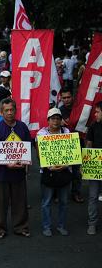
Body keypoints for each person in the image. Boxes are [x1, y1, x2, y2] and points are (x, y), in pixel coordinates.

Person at [0, 99, 31, 238]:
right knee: (1, 202)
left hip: (19, 171)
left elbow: (27, 147)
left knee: (20, 200)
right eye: (6, 110)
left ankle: (21, 227)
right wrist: (6, 163)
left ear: (15, 111)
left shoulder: (22, 127)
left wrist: (25, 162)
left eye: (11, 110)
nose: (9, 113)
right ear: (1, 112)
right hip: (2, 172)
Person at [36, 108, 71, 237]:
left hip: (64, 171)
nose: (55, 121)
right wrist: (48, 166)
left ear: (61, 120)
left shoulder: (66, 132)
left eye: (58, 118)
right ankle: (46, 226)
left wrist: (65, 165)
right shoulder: (41, 134)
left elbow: (70, 152)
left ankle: (61, 226)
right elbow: (39, 153)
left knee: (64, 201)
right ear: (48, 120)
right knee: (46, 202)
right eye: (53, 119)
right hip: (48, 171)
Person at [59, 87, 84, 203]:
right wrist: (59, 123)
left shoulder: (80, 109)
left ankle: (76, 192)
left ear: (72, 97)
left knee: (76, 171)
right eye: (64, 98)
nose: (67, 100)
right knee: (61, 170)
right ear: (61, 98)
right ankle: (59, 194)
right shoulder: (59, 111)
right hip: (64, 144)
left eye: (68, 97)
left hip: (79, 143)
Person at [85, 101, 102, 235]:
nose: (95, 114)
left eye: (97, 112)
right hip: (95, 166)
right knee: (93, 196)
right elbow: (89, 145)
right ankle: (92, 223)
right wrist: (87, 163)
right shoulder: (93, 126)